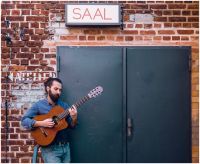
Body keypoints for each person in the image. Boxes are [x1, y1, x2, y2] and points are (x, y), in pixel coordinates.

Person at [21, 77, 78, 163]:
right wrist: (41, 123)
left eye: (60, 90)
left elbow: (72, 126)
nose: (59, 92)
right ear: (48, 89)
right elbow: (24, 121)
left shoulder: (65, 106)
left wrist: (74, 117)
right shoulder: (39, 105)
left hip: (66, 147)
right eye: (56, 89)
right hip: (50, 150)